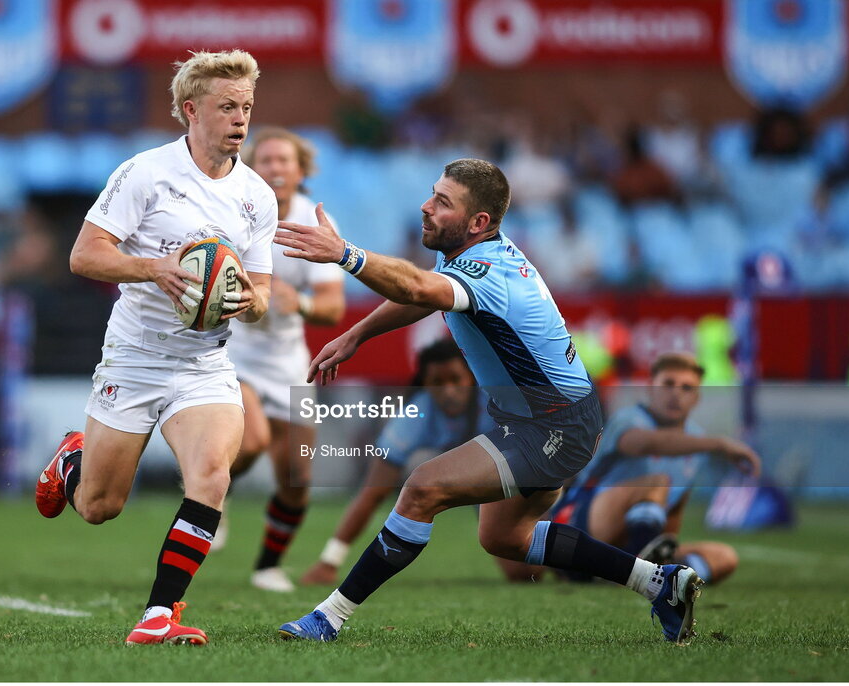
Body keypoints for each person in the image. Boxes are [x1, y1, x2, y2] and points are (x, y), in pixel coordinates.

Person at [274, 158, 704, 645]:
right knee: (503, 539)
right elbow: (427, 293)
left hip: (552, 425)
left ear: (479, 222)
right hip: (549, 416)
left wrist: (345, 254)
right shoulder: (466, 253)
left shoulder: (488, 272)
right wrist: (358, 334)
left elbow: (418, 285)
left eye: (442, 202)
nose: (426, 206)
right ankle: (659, 583)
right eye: (431, 193)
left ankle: (329, 617)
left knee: (421, 489)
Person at [33, 50, 275, 646]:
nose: (240, 118)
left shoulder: (257, 196)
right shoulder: (145, 173)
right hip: (136, 357)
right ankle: (74, 460)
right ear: (192, 111)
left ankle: (158, 615)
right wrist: (153, 270)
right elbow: (83, 256)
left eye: (246, 107)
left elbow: (265, 293)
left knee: (212, 477)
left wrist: (248, 300)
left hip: (204, 364)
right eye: (227, 107)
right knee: (98, 506)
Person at [223, 127, 346, 592]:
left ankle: (267, 566)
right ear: (254, 165)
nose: (276, 167)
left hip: (288, 360)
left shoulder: (315, 222)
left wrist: (305, 305)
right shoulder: (234, 210)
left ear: (301, 169)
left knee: (297, 477)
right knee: (249, 441)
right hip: (234, 352)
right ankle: (214, 495)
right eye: (267, 159)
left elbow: (332, 306)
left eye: (284, 160)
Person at [540, 352, 761, 585]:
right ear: (650, 388)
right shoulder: (628, 419)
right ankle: (636, 571)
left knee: (724, 557)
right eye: (668, 384)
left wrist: (667, 547)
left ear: (696, 398)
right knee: (656, 483)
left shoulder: (695, 441)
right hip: (579, 525)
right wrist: (719, 444)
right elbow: (645, 443)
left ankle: (654, 574)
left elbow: (674, 509)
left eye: (686, 388)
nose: (676, 394)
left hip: (632, 540)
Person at [300, 338, 494, 587]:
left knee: (519, 559)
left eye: (455, 379)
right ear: (424, 384)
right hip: (483, 486)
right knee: (516, 566)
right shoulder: (415, 416)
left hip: (510, 475)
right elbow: (372, 492)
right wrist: (330, 561)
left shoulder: (496, 402)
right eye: (437, 382)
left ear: (472, 377)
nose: (448, 390)